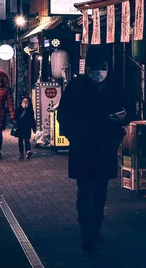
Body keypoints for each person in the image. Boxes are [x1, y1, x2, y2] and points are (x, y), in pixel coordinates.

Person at [57, 46, 130, 254]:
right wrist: (73, 136)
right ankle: (87, 234)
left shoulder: (116, 85)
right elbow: (63, 115)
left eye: (103, 67)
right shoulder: (76, 86)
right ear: (88, 69)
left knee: (100, 193)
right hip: (82, 148)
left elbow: (127, 109)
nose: (100, 71)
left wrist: (123, 117)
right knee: (85, 193)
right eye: (96, 67)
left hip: (106, 148)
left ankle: (96, 230)